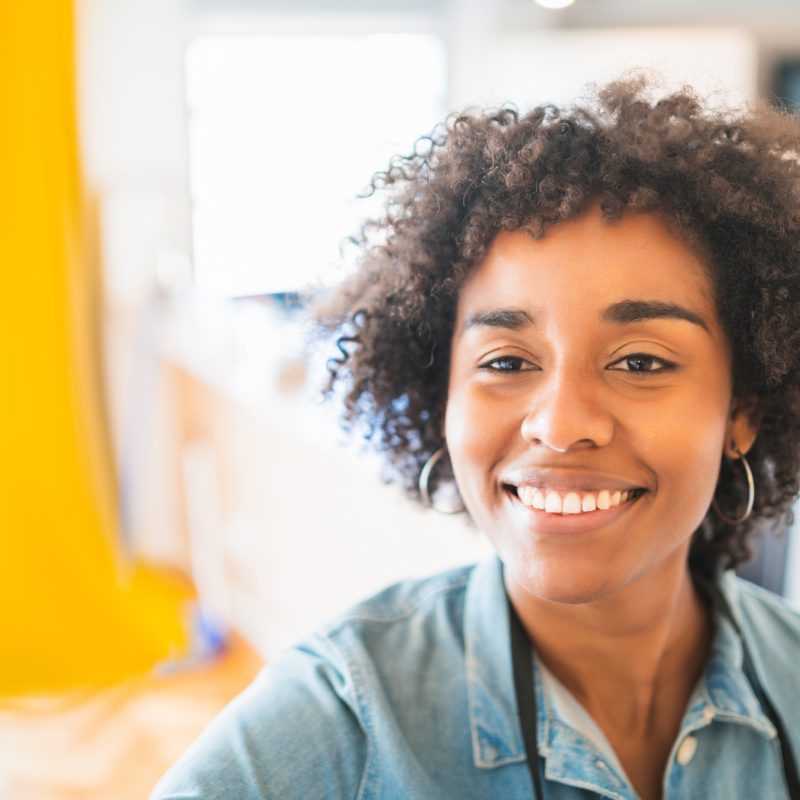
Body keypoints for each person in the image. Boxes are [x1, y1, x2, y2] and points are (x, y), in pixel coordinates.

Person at [152, 77, 800, 800]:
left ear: (742, 410)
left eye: (640, 361)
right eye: (507, 362)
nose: (560, 423)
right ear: (441, 395)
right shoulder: (348, 720)